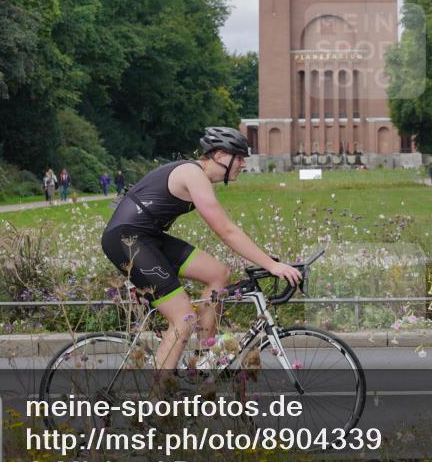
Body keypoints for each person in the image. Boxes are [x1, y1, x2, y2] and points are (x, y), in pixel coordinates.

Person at [101, 126, 302, 373]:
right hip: (126, 239)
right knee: (182, 319)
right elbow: (225, 229)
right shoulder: (192, 174)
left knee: (218, 274)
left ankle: (204, 357)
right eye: (238, 157)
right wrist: (272, 265)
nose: (243, 164)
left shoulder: (198, 175)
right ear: (219, 156)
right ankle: (157, 403)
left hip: (148, 237)